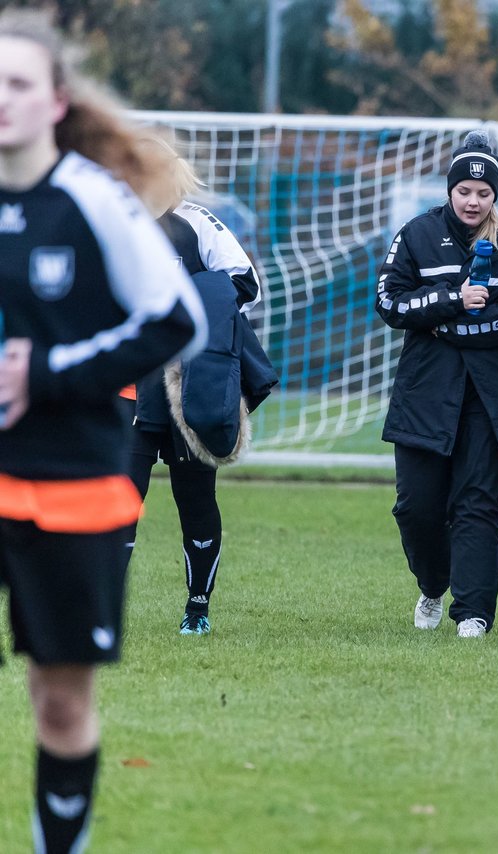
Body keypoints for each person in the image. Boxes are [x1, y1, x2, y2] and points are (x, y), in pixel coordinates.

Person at [0, 11, 206, 852]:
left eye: (15, 84)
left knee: (59, 697)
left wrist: (45, 374)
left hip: (69, 483)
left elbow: (176, 320)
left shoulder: (93, 200)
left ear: (54, 102)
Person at [376, 130, 498, 638]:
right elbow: (389, 303)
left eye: (484, 193)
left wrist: (450, 329)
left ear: (496, 196)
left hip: (494, 399)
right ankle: (433, 585)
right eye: (464, 191)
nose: (473, 201)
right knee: (417, 508)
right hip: (426, 395)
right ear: (450, 191)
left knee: (477, 504)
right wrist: (452, 300)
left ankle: (474, 613)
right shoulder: (416, 234)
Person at [123, 133, 276, 636]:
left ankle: (197, 609)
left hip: (188, 388)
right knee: (117, 500)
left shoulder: (196, 223)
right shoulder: (106, 225)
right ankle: (102, 608)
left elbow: (243, 284)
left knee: (195, 502)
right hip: (122, 392)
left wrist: (185, 303)